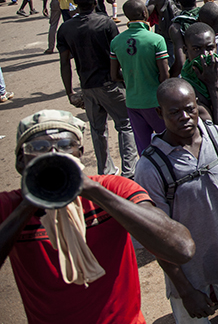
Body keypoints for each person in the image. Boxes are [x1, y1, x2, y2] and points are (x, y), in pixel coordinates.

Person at [0, 109, 195, 324]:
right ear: (20, 162)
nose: (54, 155)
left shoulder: (111, 189)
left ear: (80, 153)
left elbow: (182, 248)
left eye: (65, 145)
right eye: (39, 148)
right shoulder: (10, 206)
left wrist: (92, 190)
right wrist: (30, 202)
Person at [135, 79, 218, 323]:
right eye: (174, 112)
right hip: (188, 276)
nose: (185, 117)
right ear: (160, 113)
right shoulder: (150, 167)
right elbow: (155, 237)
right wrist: (185, 290)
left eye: (189, 108)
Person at [57, 0, 138, 177]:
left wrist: (70, 92)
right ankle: (129, 171)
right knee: (125, 124)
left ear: (75, 4)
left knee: (97, 130)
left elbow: (64, 63)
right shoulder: (106, 23)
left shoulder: (66, 28)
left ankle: (105, 171)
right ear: (96, 2)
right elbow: (118, 54)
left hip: (87, 86)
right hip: (110, 84)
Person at [110, 0, 170, 154]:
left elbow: (114, 75)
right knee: (169, 143)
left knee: (144, 149)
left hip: (133, 102)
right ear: (145, 13)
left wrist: (133, 76)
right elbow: (164, 77)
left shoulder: (116, 42)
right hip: (156, 101)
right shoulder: (156, 40)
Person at [180, 22, 218, 142]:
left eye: (209, 48)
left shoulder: (217, 75)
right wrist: (213, 85)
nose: (204, 55)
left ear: (216, 47)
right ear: (186, 50)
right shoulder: (186, 89)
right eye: (197, 49)